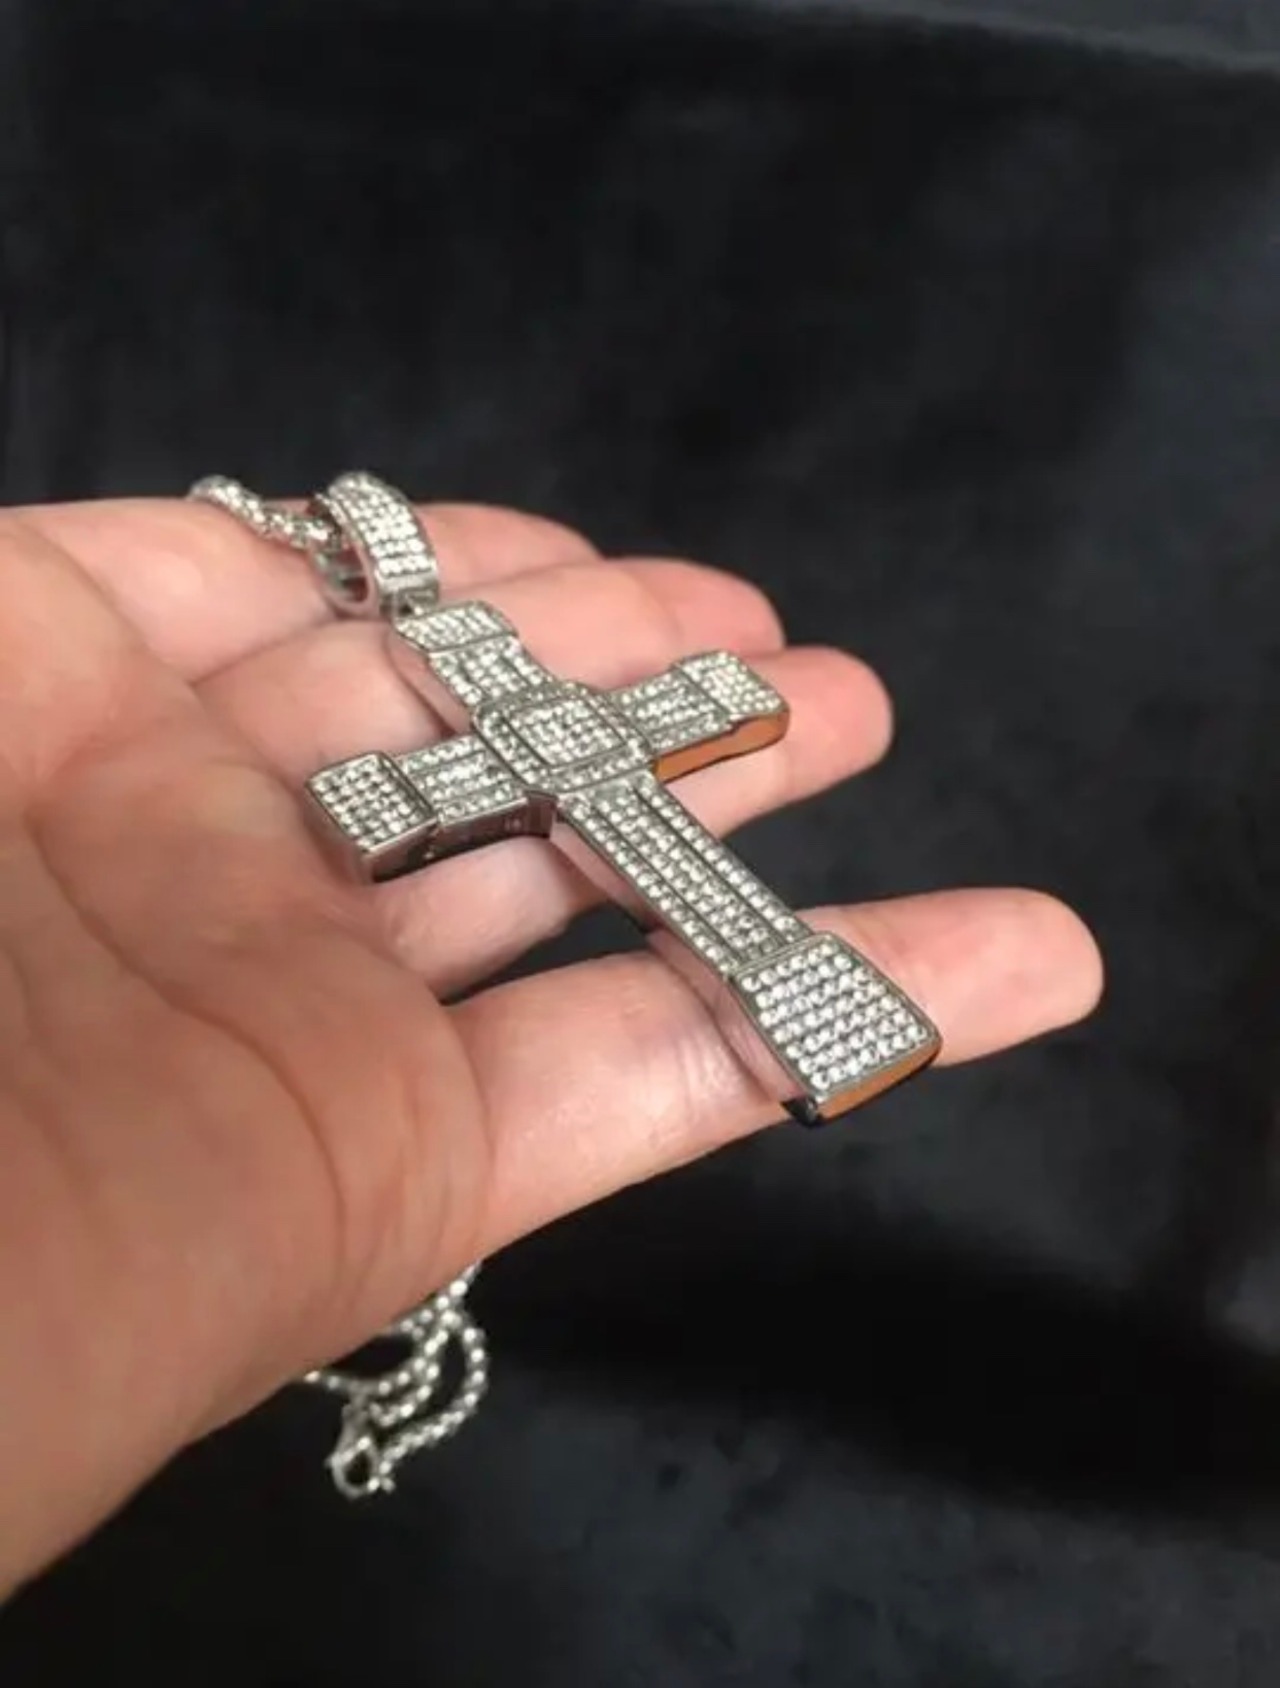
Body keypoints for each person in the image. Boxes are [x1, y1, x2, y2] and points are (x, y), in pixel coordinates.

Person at [0, 495, 1102, 1595]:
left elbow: (723, 695)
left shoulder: (593, 712)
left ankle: (810, 1010)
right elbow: (369, 802)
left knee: (728, 905)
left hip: (716, 908)